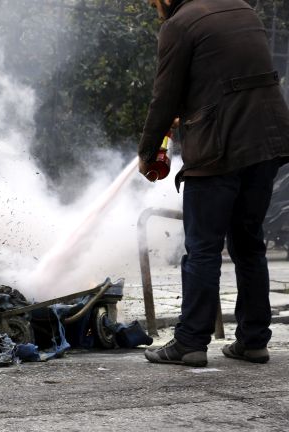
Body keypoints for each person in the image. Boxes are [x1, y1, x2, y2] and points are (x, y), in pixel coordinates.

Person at [139, 0, 289, 366]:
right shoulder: (243, 9)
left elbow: (164, 97)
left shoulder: (180, 24)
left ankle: (190, 341)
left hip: (219, 149)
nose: (153, 5)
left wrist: (147, 151)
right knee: (248, 243)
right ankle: (254, 341)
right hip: (267, 141)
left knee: (203, 248)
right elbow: (230, 78)